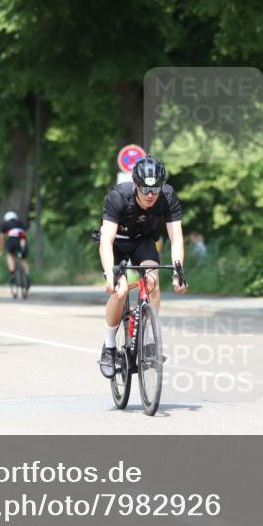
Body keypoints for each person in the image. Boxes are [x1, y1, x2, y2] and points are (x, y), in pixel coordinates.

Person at [96, 156, 187, 378]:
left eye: (155, 189)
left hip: (143, 242)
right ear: (136, 185)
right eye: (145, 189)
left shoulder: (168, 197)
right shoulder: (119, 196)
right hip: (117, 243)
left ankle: (148, 341)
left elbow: (176, 238)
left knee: (153, 282)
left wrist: (178, 272)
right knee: (121, 291)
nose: (150, 194)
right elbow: (106, 240)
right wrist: (110, 275)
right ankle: (109, 347)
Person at [0, 210, 30, 287]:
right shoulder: (20, 223)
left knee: (10, 255)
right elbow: (25, 234)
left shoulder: (5, 224)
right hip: (22, 242)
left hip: (12, 242)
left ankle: (12, 273)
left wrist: (2, 250)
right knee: (23, 260)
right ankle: (27, 277)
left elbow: (2, 238)